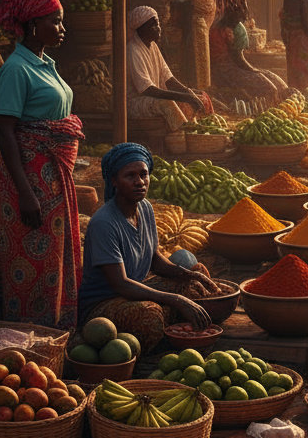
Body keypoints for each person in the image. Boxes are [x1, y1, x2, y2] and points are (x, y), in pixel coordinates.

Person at [0, 0, 84, 328]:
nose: (62, 28)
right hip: (30, 180)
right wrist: (26, 192)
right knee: (32, 262)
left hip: (53, 176)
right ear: (33, 25)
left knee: (54, 259)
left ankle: (56, 331)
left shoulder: (45, 64)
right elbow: (5, 131)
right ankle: (29, 336)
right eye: (56, 21)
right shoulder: (16, 69)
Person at [78, 144, 213, 351]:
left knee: (196, 279)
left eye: (144, 174)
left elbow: (155, 259)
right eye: (130, 176)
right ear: (114, 181)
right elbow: (121, 284)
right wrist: (176, 300)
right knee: (149, 316)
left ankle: (173, 325)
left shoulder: (145, 208)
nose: (139, 182)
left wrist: (188, 274)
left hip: (134, 291)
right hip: (104, 303)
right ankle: (165, 325)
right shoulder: (104, 222)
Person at [127, 7, 203, 133]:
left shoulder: (153, 46)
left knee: (199, 96)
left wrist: (189, 93)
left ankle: (194, 130)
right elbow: (147, 89)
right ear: (141, 28)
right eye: (153, 25)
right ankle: (180, 135)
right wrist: (185, 97)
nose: (158, 28)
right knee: (167, 104)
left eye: (158, 24)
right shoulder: (133, 50)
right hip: (134, 103)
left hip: (151, 98)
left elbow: (169, 79)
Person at [209, 7, 287, 101]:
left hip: (220, 70)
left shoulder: (217, 27)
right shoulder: (232, 30)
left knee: (277, 82)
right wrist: (254, 70)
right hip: (227, 72)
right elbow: (239, 60)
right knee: (270, 89)